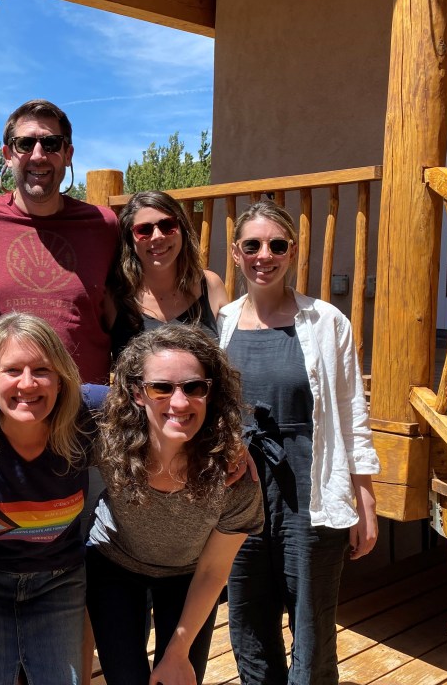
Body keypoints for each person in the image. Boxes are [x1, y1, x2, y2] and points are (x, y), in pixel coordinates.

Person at [218, 200, 380, 685]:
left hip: (310, 494)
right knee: (247, 621)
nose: (264, 255)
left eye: (276, 245)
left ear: (292, 252)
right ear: (236, 252)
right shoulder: (220, 324)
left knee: (311, 629)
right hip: (238, 493)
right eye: (252, 245)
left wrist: (366, 500)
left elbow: (353, 414)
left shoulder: (327, 322)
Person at [86, 324, 263, 685]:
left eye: (194, 387)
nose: (179, 403)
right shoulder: (109, 439)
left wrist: (177, 653)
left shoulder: (233, 475)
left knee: (178, 676)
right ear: (137, 393)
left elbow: (214, 571)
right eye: (161, 388)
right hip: (113, 563)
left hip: (189, 575)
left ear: (211, 393)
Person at [0, 312, 94, 685]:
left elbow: (162, 400)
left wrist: (230, 444)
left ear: (60, 379)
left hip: (58, 585)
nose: (27, 384)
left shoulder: (87, 415)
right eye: (12, 370)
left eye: (41, 370)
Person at [0, 99, 119, 384]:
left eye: (51, 143)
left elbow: (136, 297)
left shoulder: (104, 226)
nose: (38, 155)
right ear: (7, 155)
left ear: (68, 153)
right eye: (25, 144)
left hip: (85, 411)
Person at [108, 190, 228, 358]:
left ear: (182, 229)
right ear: (130, 239)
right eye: (144, 230)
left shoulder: (210, 285)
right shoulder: (115, 297)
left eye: (167, 225)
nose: (157, 236)